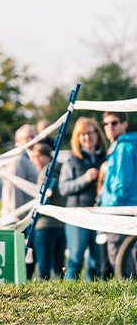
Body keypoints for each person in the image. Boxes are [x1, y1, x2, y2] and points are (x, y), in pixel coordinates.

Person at [59, 117, 107, 280]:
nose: (87, 137)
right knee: (75, 258)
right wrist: (84, 179)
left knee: (96, 260)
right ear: (77, 138)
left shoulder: (105, 157)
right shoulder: (71, 159)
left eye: (90, 133)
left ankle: (93, 294)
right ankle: (70, 293)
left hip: (100, 214)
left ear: (97, 134)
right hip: (77, 214)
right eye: (82, 134)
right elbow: (63, 188)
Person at [100, 111, 137, 277]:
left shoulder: (123, 147)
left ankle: (128, 295)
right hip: (124, 208)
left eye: (114, 123)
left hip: (120, 209)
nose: (109, 127)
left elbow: (122, 182)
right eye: (106, 124)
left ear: (124, 123)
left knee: (119, 255)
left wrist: (111, 207)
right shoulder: (120, 146)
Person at [0, 124, 41, 217]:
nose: (31, 140)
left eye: (33, 137)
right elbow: (14, 190)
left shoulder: (29, 159)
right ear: (18, 141)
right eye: (27, 137)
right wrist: (19, 217)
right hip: (17, 219)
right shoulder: (18, 160)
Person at [29, 143, 66, 280]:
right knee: (59, 265)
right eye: (34, 157)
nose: (37, 160)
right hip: (62, 223)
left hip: (44, 224)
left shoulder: (47, 171)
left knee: (43, 266)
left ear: (47, 156)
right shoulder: (63, 169)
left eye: (40, 156)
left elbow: (42, 198)